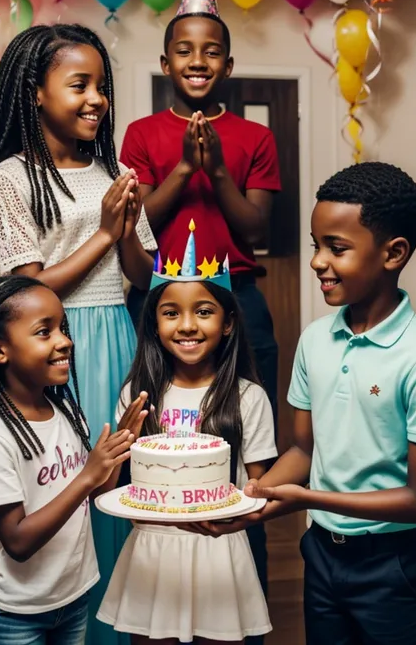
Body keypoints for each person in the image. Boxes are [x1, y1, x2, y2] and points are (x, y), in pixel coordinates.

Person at [203, 162, 416, 645]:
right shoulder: (316, 340)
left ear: (393, 253)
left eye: (337, 248)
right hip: (321, 555)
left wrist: (306, 499)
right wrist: (248, 504)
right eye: (317, 244)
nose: (318, 261)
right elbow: (303, 452)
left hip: (394, 565)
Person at [0, 24, 157, 645]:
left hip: (115, 333)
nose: (96, 100)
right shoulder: (11, 175)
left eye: (101, 87)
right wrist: (104, 232)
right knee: (70, 485)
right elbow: (27, 289)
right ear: (35, 92)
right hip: (54, 346)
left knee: (119, 493)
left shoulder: (113, 168)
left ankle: (111, 629)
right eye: (79, 84)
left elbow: (140, 274)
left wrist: (127, 229)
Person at [120, 0, 280, 618]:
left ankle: (245, 607)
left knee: (247, 449)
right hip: (159, 301)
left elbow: (256, 229)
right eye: (184, 50)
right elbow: (140, 229)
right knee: (162, 447)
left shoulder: (255, 137)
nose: (197, 60)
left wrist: (215, 173)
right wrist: (185, 165)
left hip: (237, 299)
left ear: (228, 65)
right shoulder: (141, 135)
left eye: (210, 51)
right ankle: (158, 597)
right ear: (165, 62)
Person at [97, 223, 277, 644]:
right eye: (171, 312)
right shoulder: (135, 394)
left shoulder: (248, 397)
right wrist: (120, 440)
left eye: (204, 310)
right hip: (152, 548)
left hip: (218, 547)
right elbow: (107, 485)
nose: (187, 325)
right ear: (154, 322)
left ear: (228, 322)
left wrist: (246, 498)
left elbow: (260, 484)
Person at [0, 275, 151, 645]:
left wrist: (118, 448)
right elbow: (18, 542)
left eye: (63, 328)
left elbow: (93, 491)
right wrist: (87, 475)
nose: (65, 341)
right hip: (13, 610)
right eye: (45, 332)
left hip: (71, 596)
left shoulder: (65, 410)